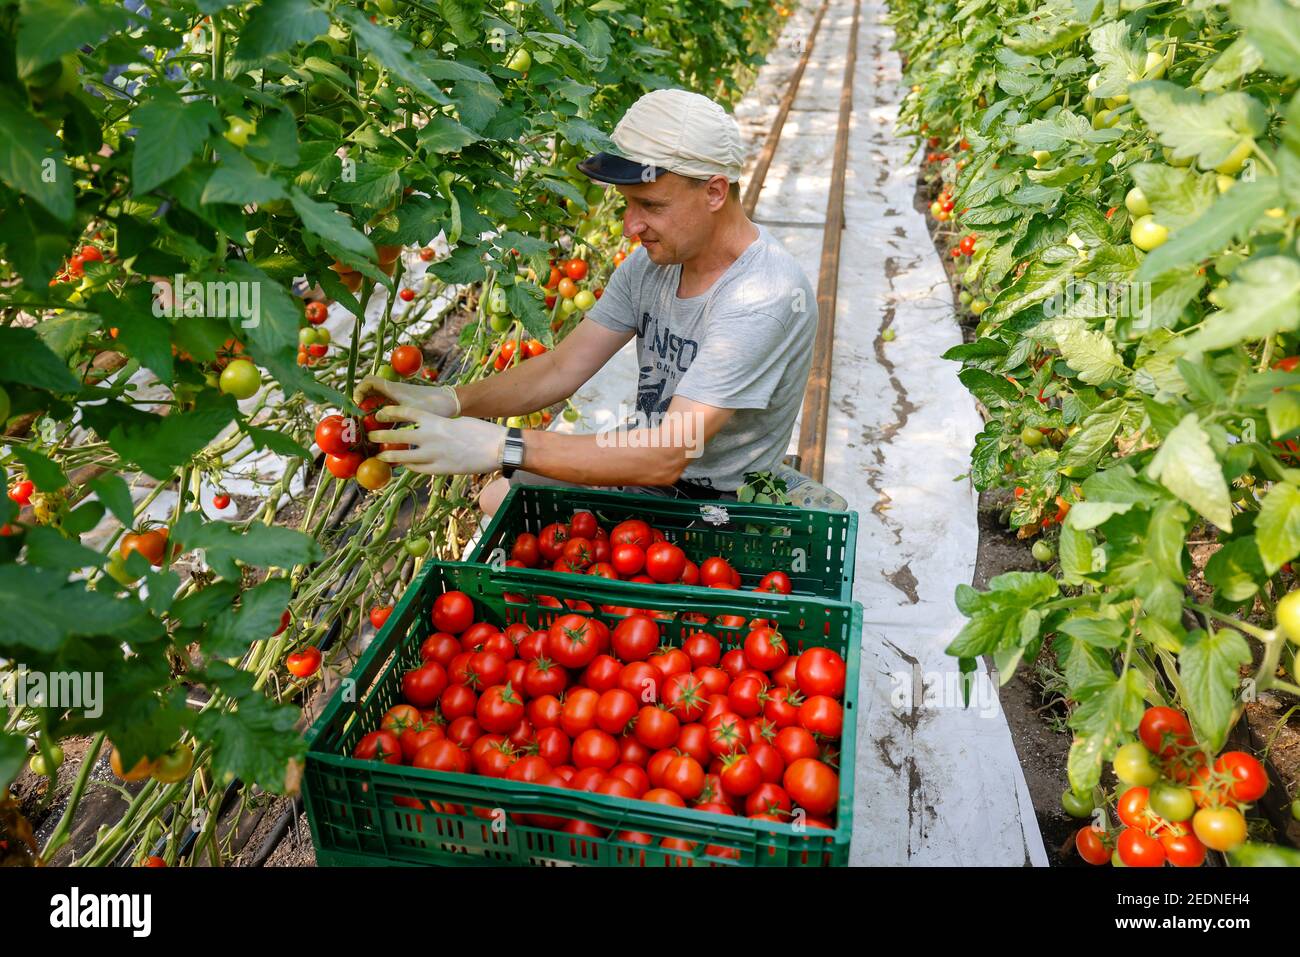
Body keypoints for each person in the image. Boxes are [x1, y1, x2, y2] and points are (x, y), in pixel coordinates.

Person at [359, 88, 846, 516]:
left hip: (715, 503)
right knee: (495, 501)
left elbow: (671, 452)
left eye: (651, 205)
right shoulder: (652, 265)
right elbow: (560, 369)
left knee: (506, 500)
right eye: (627, 203)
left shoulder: (762, 295)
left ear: (715, 191)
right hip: (644, 472)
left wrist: (504, 445)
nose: (632, 226)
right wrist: (453, 400)